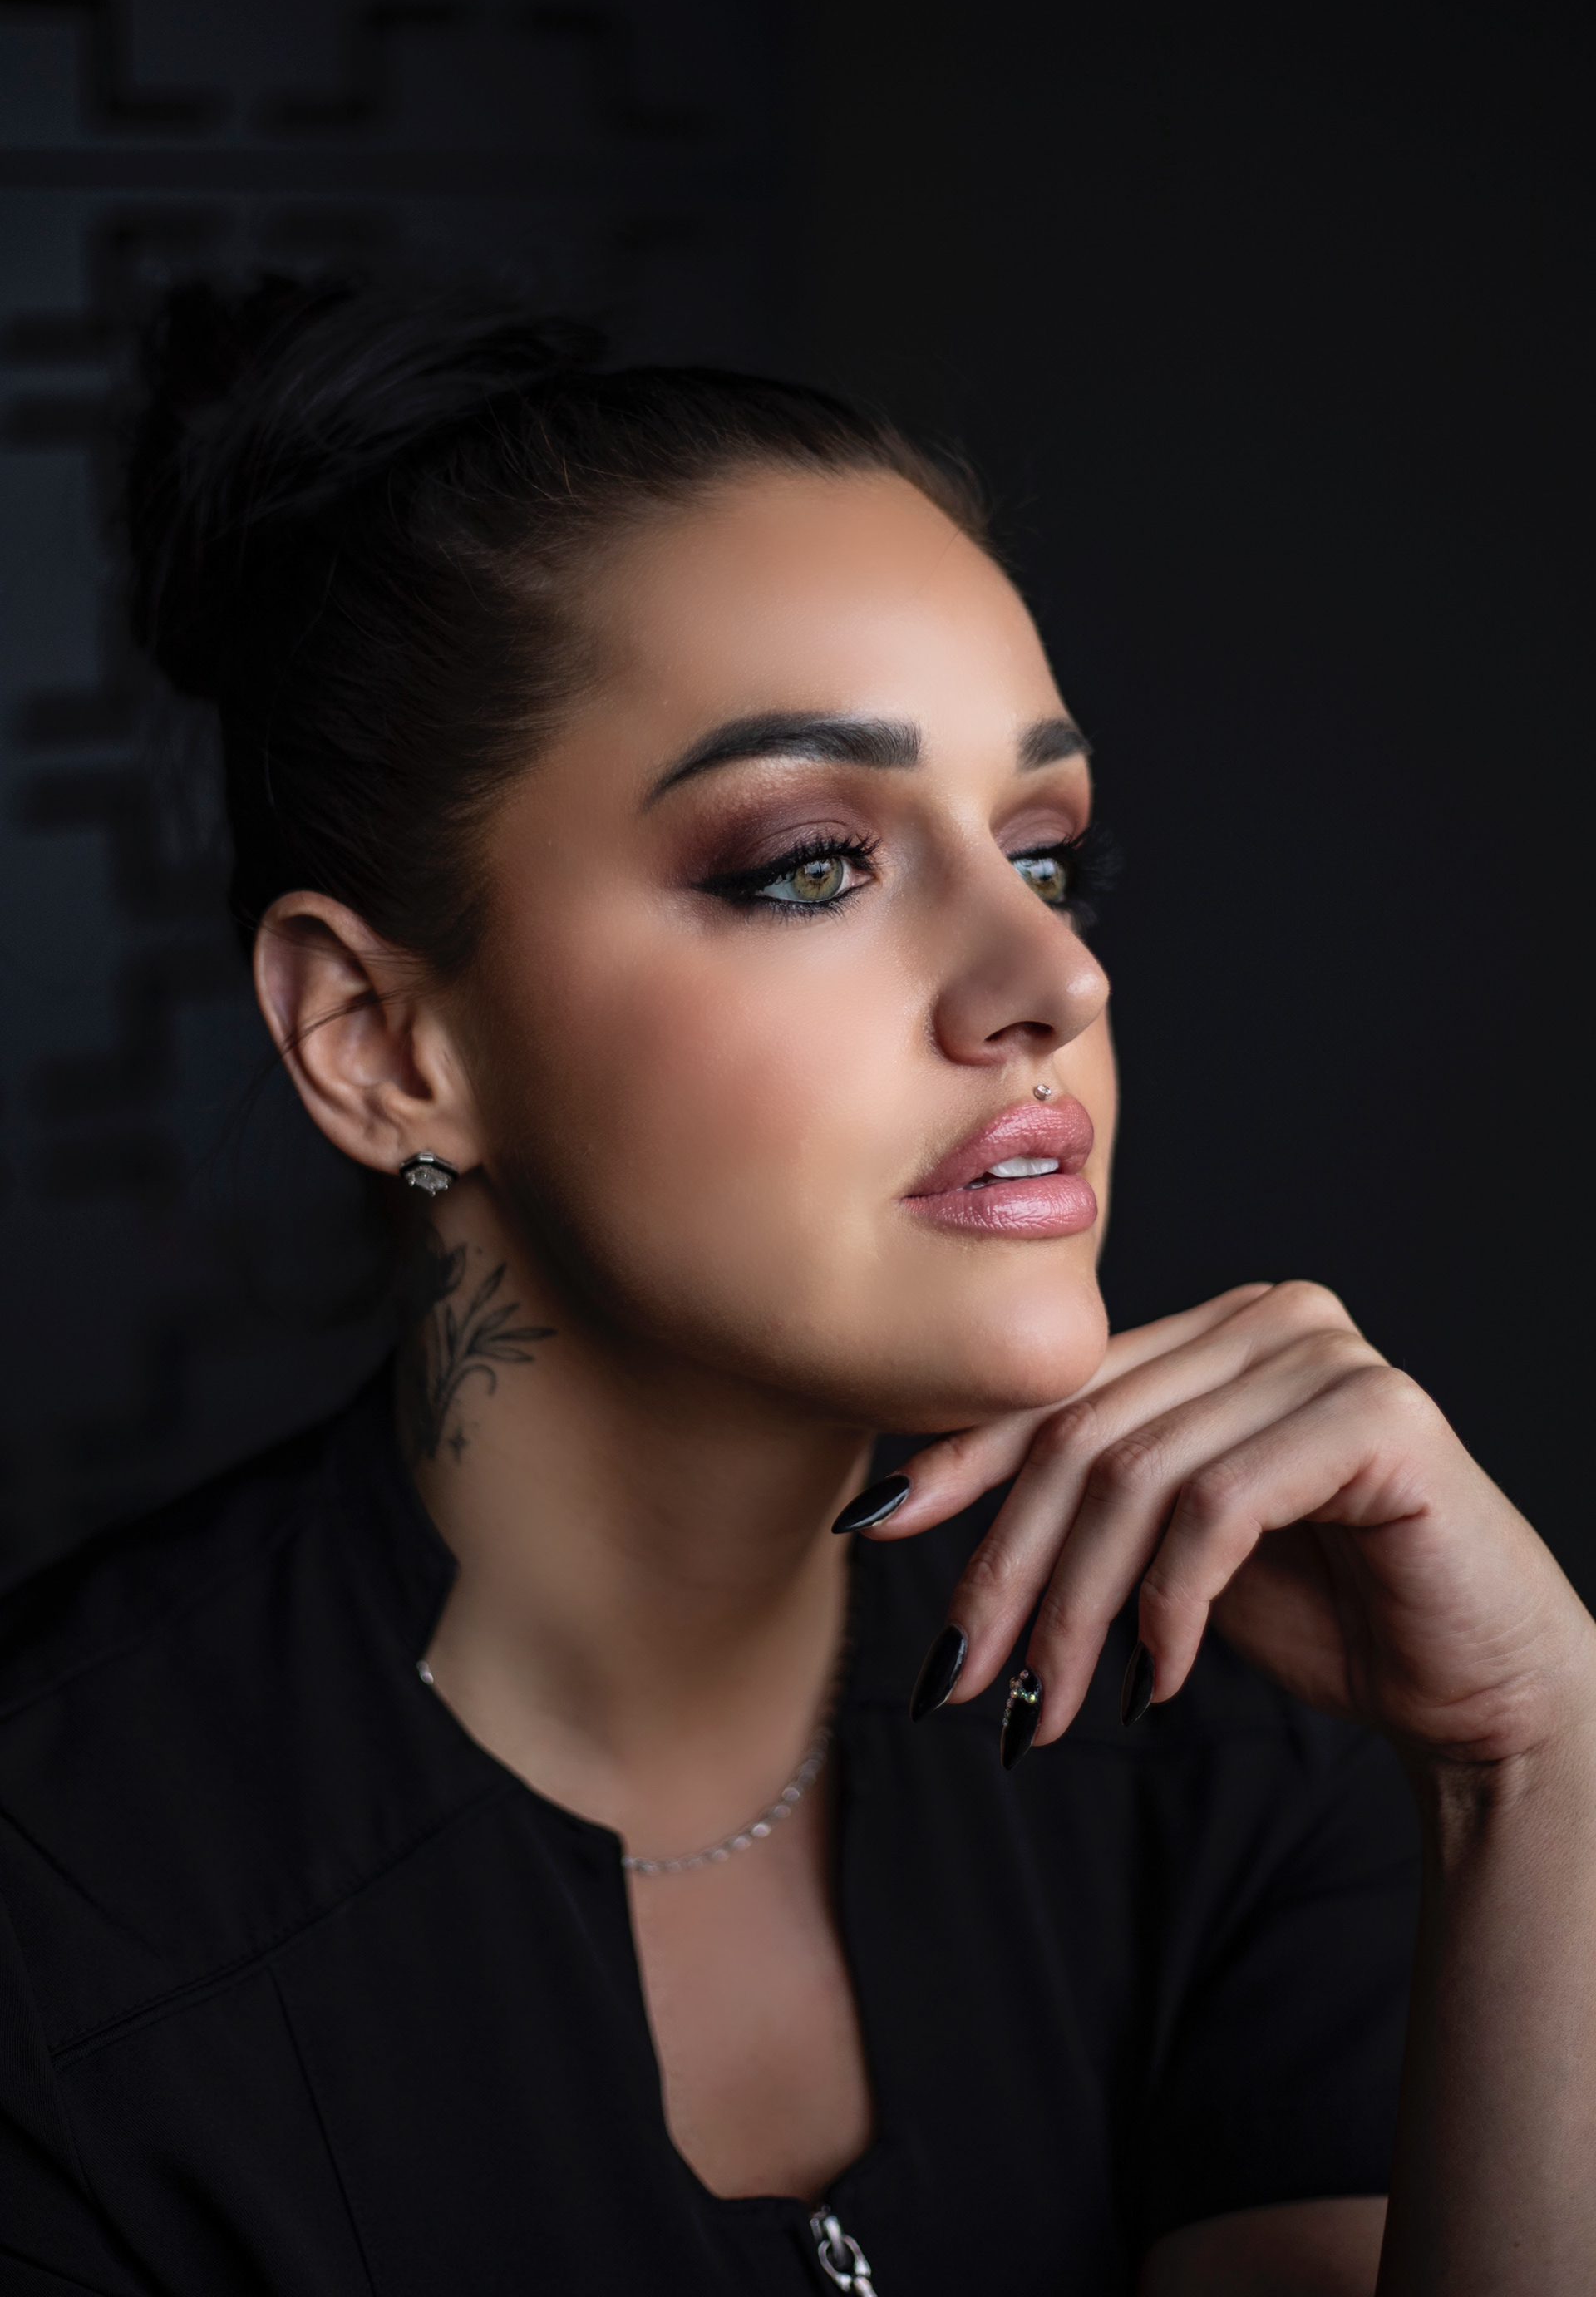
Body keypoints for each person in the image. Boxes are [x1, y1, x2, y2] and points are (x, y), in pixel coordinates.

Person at [0, 277, 1591, 2297]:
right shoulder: (62, 1926)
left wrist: (1535, 1772)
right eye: (812, 863)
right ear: (384, 1045)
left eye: (1045, 852)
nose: (1058, 979)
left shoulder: (1210, 1727)